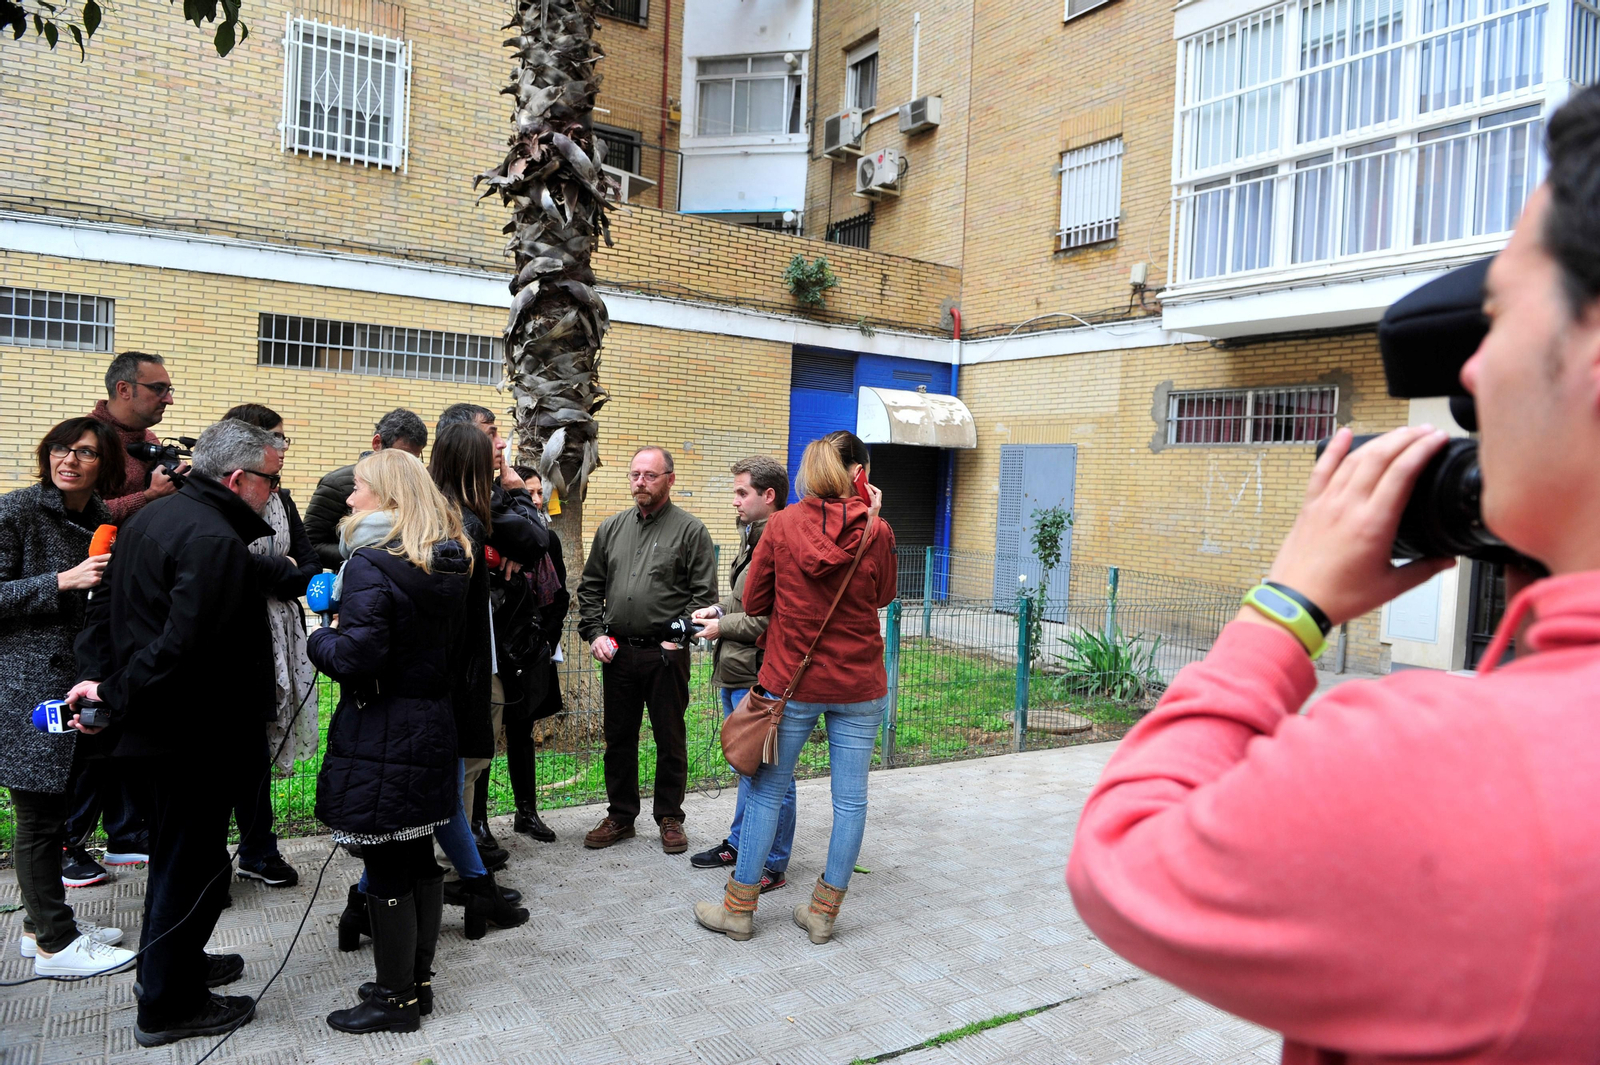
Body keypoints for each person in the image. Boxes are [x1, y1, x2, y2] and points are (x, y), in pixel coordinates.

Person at [1067, 84, 1600, 1062]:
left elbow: (1125, 856)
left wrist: (1284, 610)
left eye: (1499, 314)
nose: (1471, 376)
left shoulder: (1451, 775)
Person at [67, 418, 284, 1046]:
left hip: (160, 727)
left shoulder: (158, 518)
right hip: (194, 730)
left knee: (179, 858)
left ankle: (178, 963)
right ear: (239, 478)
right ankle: (167, 1003)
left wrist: (104, 683)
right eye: (270, 479)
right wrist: (109, 690)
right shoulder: (211, 538)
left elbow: (105, 615)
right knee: (191, 866)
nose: (274, 490)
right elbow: (183, 645)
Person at [694, 432, 895, 944]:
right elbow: (885, 596)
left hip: (791, 683)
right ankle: (823, 914)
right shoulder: (879, 530)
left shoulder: (781, 525)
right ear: (859, 474)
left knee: (766, 794)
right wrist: (873, 519)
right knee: (850, 802)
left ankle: (739, 911)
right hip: (860, 684)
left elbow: (756, 602)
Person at [305, 449, 470, 1034]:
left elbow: (358, 656)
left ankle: (394, 998)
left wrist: (317, 635)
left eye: (358, 489)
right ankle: (415, 985)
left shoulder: (373, 564)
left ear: (389, 497)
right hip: (428, 722)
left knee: (385, 858)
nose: (349, 500)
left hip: (383, 727)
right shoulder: (445, 561)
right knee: (417, 849)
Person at [0, 418, 136, 976]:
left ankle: (40, 925)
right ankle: (56, 943)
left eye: (84, 452)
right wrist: (61, 580)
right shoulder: (17, 512)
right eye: (61, 449)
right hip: (25, 686)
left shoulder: (104, 519)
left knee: (59, 814)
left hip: (79, 684)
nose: (69, 460)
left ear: (104, 464)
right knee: (37, 815)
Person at [64, 350, 181, 884]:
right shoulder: (91, 442)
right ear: (124, 389)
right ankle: (67, 842)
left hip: (133, 602)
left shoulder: (148, 445)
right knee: (90, 725)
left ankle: (126, 835)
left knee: (126, 718)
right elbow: (76, 514)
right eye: (158, 388)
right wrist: (150, 496)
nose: (168, 398)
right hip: (89, 604)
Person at [578, 446, 718, 854]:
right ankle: (621, 815)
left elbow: (703, 597)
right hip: (618, 653)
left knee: (670, 738)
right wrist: (594, 634)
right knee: (618, 738)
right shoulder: (611, 529)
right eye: (635, 475)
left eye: (650, 475)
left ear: (669, 480)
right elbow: (590, 589)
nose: (640, 482)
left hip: (665, 655)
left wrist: (680, 637)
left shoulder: (690, 531)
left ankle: (670, 817)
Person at [426, 422, 534, 932]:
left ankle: (461, 872)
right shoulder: (464, 521)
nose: (499, 459)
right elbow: (536, 538)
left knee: (461, 771)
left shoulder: (462, 514)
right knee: (461, 771)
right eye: (490, 454)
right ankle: (463, 877)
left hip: (468, 664)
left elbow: (537, 544)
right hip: (462, 669)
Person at [434, 403, 551, 864]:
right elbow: (536, 541)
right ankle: (459, 868)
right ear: (466, 449)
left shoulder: (469, 503)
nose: (502, 445)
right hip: (470, 658)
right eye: (492, 436)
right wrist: (517, 492)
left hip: (495, 646)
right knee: (466, 761)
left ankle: (466, 858)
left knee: (476, 755)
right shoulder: (468, 510)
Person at [220, 403, 319, 889]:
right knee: (228, 751)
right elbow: (228, 566)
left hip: (280, 629)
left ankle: (259, 849)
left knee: (257, 748)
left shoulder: (283, 499)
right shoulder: (222, 501)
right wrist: (279, 571)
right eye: (277, 439)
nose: (283, 448)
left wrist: (280, 573)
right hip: (237, 634)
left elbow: (308, 566)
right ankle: (210, 860)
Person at [689, 456, 794, 892]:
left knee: (772, 776)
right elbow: (746, 600)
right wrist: (717, 609)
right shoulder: (752, 536)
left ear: (768, 497)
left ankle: (772, 861)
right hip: (736, 672)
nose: (734, 501)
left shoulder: (783, 541)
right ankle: (739, 842)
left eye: (741, 493)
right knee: (747, 769)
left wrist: (722, 626)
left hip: (761, 675)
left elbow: (774, 620)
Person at [494, 466, 568, 843]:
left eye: (540, 493)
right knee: (485, 733)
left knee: (522, 731)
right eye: (529, 493)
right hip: (494, 650)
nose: (537, 500)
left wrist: (543, 641)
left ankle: (527, 812)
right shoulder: (495, 537)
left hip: (530, 650)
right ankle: (478, 823)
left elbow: (560, 597)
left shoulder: (548, 541)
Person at [303, 408, 428, 571]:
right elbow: (311, 545)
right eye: (401, 454)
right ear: (377, 443)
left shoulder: (415, 486)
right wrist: (366, 555)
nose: (406, 464)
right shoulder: (337, 484)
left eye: (415, 459)